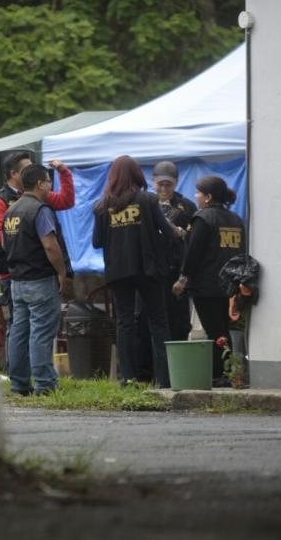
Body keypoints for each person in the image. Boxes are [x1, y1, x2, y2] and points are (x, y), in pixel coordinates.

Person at [92, 156, 175, 388]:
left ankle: (128, 378)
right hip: (148, 269)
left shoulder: (102, 206)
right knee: (159, 322)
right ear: (137, 175)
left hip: (118, 270)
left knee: (124, 323)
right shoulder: (148, 200)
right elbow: (167, 231)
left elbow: (97, 241)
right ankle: (165, 380)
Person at [0, 152, 74, 366]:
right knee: (25, 327)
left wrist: (63, 172)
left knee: (24, 328)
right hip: (15, 273)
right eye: (26, 169)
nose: (31, 172)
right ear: (14, 174)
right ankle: (34, 377)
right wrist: (27, 241)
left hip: (28, 272)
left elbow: (66, 200)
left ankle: (22, 378)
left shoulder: (36, 196)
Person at [2, 164, 73, 395]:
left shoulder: (11, 211)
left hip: (17, 281)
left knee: (19, 332)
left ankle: (19, 384)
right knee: (41, 332)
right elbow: (50, 246)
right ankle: (45, 383)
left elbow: (4, 243)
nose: (50, 186)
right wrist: (62, 273)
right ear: (41, 184)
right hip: (40, 280)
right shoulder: (39, 209)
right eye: (49, 182)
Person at [172, 175, 245, 385]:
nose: (196, 196)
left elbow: (194, 253)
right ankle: (230, 373)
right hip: (230, 285)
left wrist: (183, 279)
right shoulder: (235, 219)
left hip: (207, 285)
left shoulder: (203, 218)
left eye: (198, 193)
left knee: (214, 332)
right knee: (224, 329)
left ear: (208, 196)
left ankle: (221, 375)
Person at [135, 161, 197, 380]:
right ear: (152, 181)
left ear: (176, 183)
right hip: (150, 271)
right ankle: (145, 372)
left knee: (177, 320)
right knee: (144, 322)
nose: (163, 189)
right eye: (160, 184)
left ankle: (177, 371)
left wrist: (182, 234)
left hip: (175, 269)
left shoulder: (187, 206)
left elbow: (194, 239)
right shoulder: (142, 203)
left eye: (168, 185)